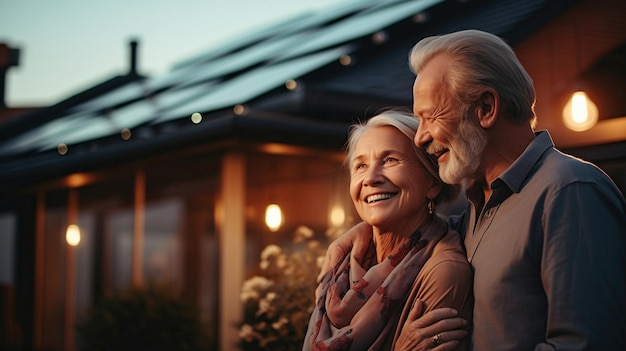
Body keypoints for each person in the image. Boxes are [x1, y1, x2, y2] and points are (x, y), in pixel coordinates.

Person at [320, 29, 626, 350]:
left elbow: (587, 343)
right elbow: (418, 231)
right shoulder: (475, 208)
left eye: (430, 117)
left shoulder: (570, 191)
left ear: (485, 108)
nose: (421, 138)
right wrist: (363, 234)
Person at [302, 111, 473, 351]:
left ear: (433, 183)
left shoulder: (444, 271)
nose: (370, 178)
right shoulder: (340, 266)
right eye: (360, 165)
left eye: (391, 160)